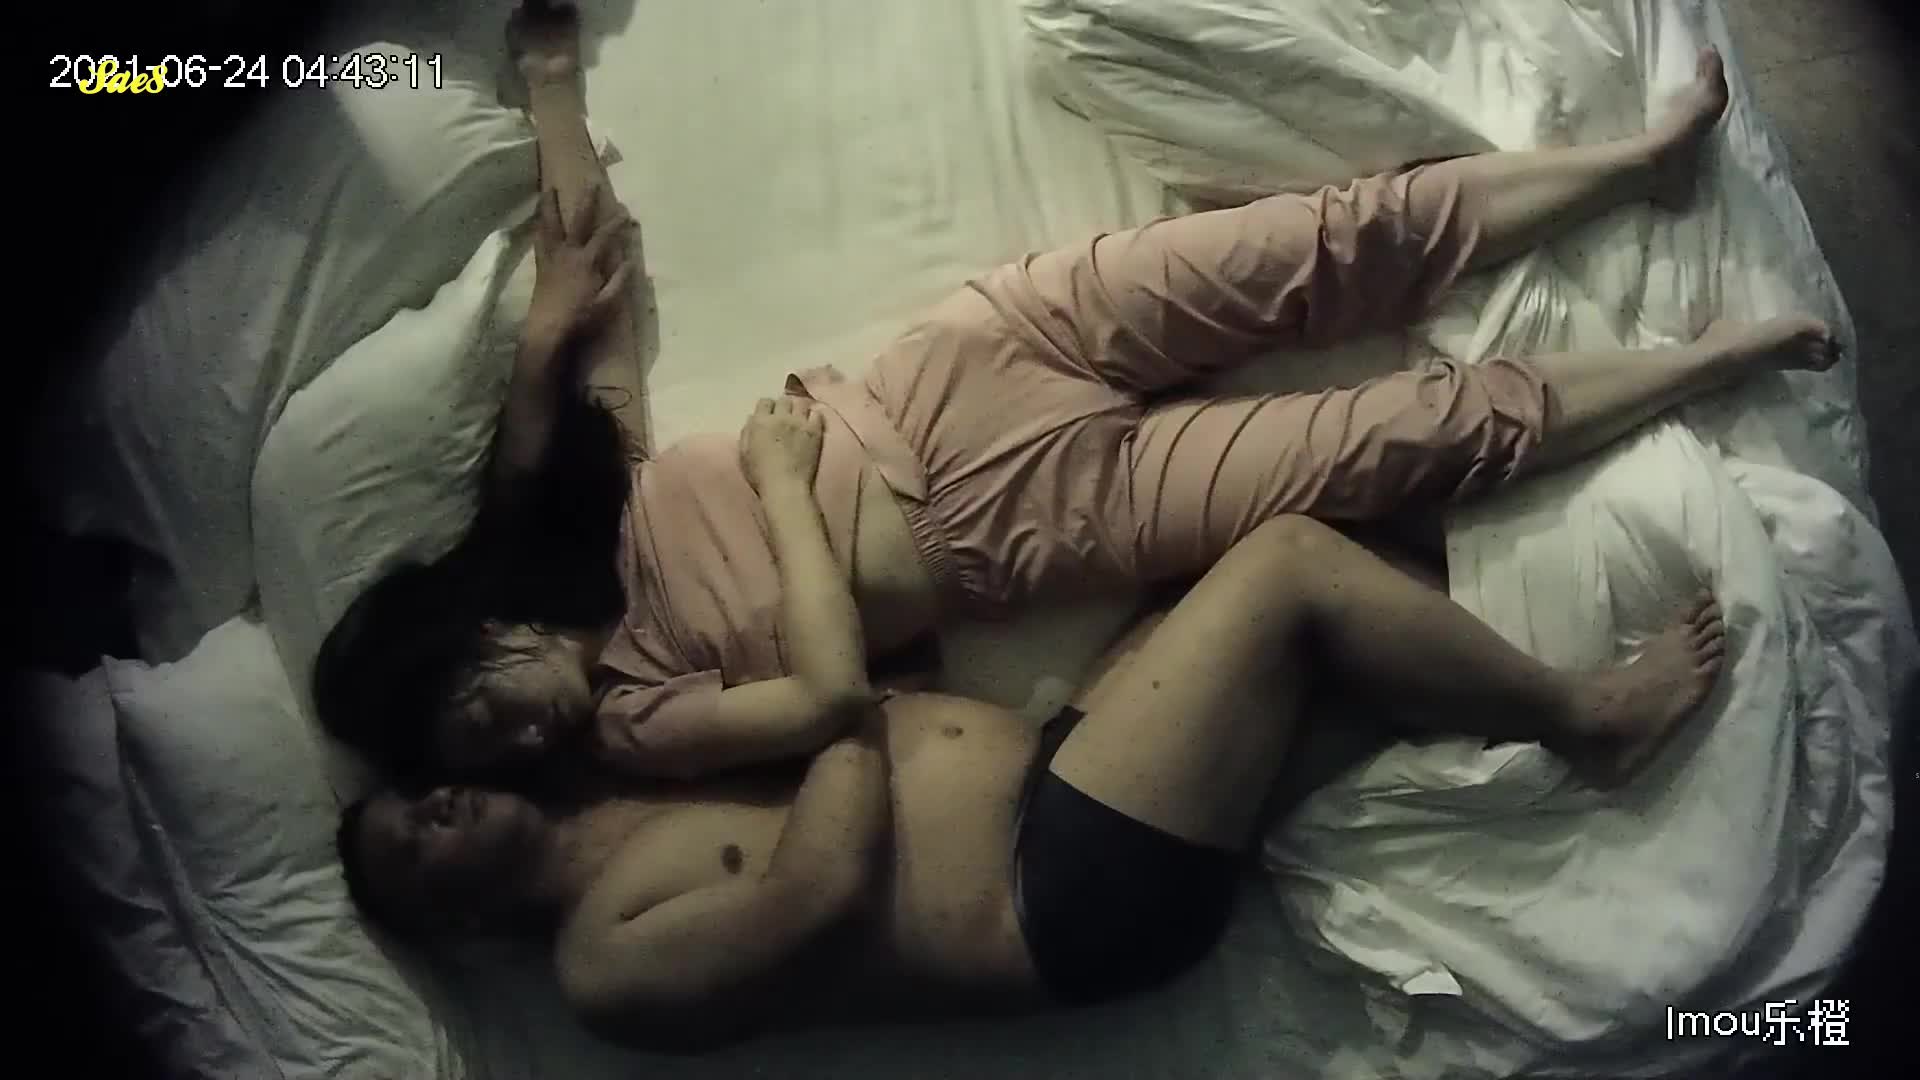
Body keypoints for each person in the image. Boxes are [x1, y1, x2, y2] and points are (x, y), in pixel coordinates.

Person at [313, 2, 1828, 783]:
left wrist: (552, 88)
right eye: (495, 761)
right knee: (1390, 443)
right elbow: (831, 699)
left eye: (482, 714)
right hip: (1014, 530)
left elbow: (575, 289)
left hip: (961, 364)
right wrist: (778, 492)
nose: (523, 739)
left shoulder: (551, 512)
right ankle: (1718, 355)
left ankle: (1637, 164)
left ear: (475, 637)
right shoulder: (639, 726)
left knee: (1328, 242)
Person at [338, 510, 1730, 1051]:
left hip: (1062, 778)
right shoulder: (603, 968)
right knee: (1291, 566)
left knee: (1360, 582)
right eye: (416, 843)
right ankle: (1588, 718)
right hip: (1062, 890)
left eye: (413, 793)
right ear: (459, 919)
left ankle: (1519, 614)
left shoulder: (604, 771)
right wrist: (841, 716)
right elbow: (821, 893)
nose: (433, 807)